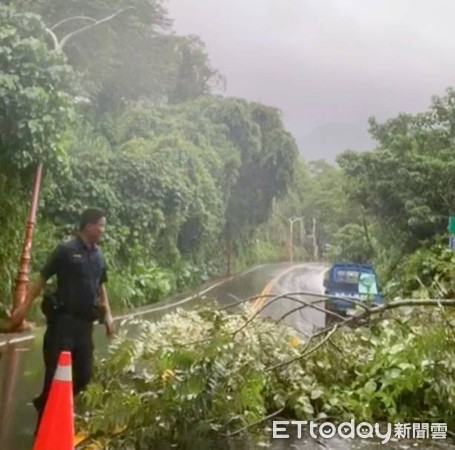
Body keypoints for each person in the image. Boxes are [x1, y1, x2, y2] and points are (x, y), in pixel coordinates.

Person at [8, 207, 115, 433]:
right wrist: (23, 309)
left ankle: (49, 402)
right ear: (88, 225)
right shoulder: (66, 250)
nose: (103, 229)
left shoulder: (99, 255)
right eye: (101, 225)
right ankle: (43, 431)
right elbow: (41, 279)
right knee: (55, 375)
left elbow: (101, 285)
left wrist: (108, 315)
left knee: (84, 375)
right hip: (62, 325)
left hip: (84, 326)